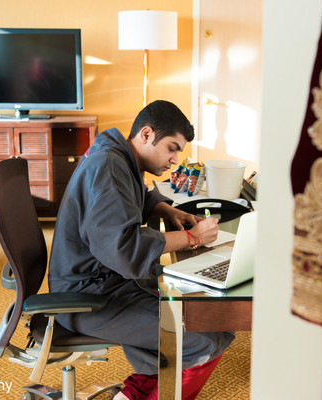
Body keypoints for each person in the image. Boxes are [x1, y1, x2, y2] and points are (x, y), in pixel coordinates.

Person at [48, 100, 235, 400]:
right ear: (146, 134)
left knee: (214, 321)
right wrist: (192, 238)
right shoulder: (108, 166)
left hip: (106, 283)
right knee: (202, 338)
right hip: (86, 298)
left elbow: (136, 197)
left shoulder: (118, 154)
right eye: (172, 148)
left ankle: (133, 395)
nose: (175, 160)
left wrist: (167, 211)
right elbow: (126, 247)